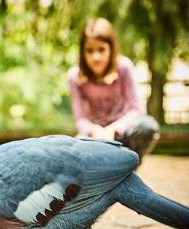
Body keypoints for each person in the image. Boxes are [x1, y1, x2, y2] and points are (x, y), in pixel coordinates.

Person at [68, 17, 159, 162]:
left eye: (101, 49)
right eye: (89, 51)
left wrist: (114, 129)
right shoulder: (75, 77)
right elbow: (80, 119)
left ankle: (130, 167)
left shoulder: (124, 67)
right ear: (82, 52)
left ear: (111, 49)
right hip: (94, 136)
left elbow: (138, 110)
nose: (95, 57)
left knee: (148, 126)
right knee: (72, 149)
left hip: (123, 132)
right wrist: (95, 130)